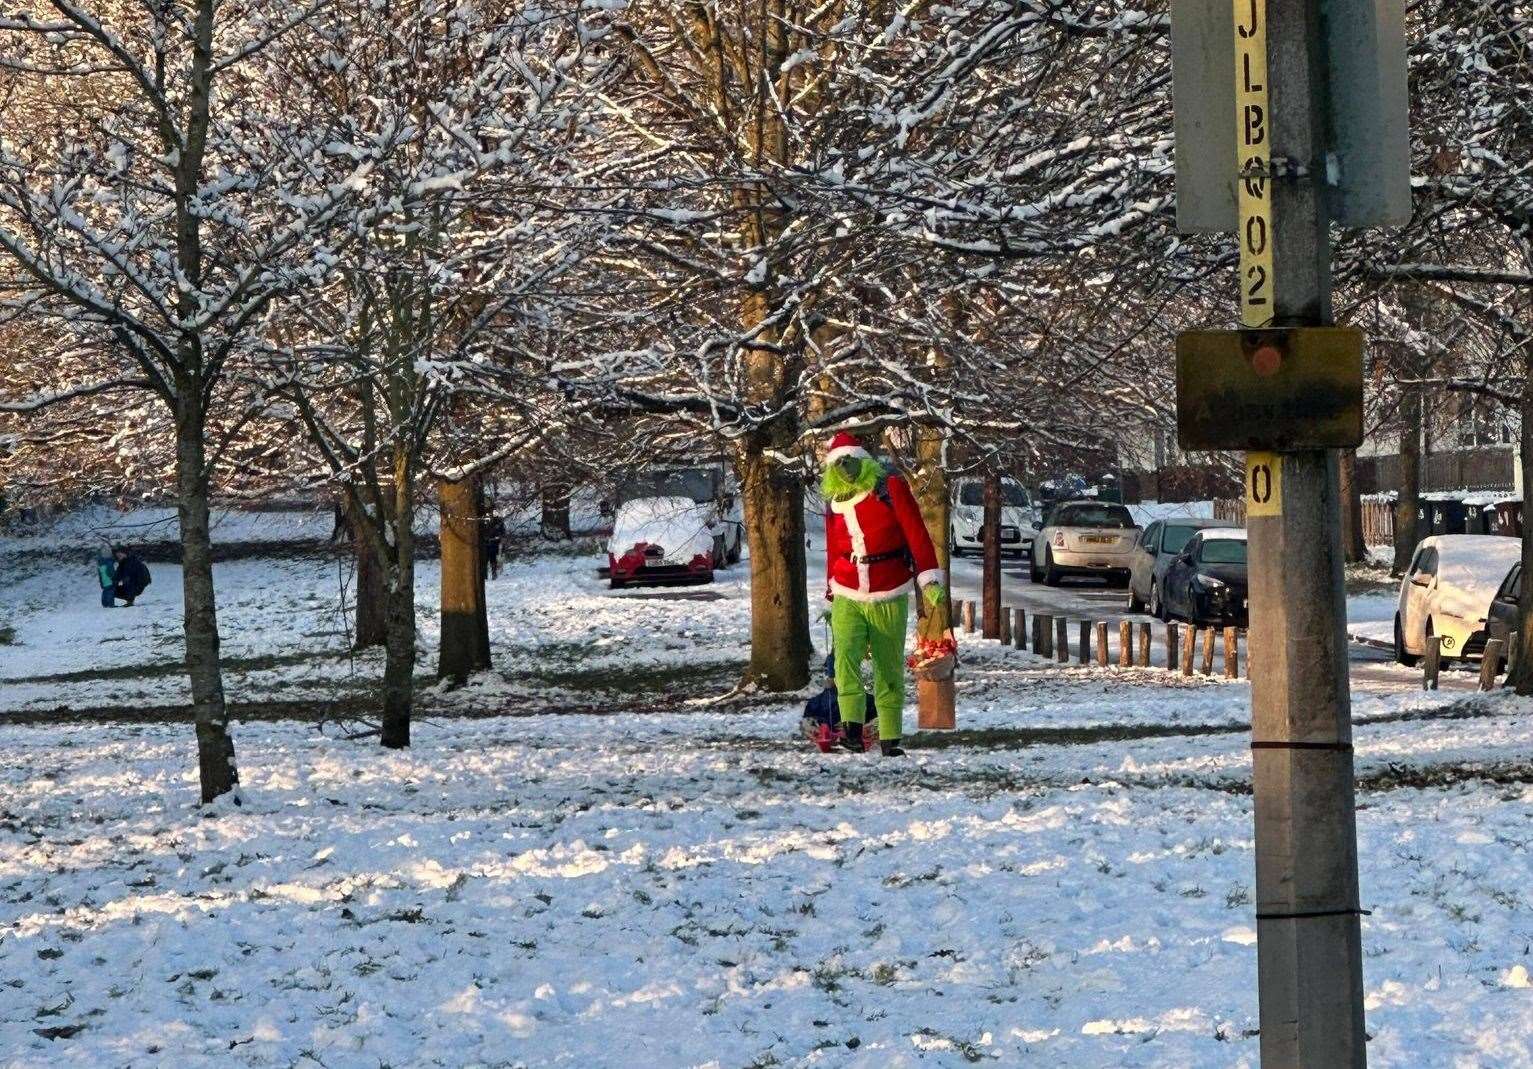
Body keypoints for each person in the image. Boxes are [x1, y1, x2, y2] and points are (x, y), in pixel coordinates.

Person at [821, 432, 945, 757]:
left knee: (887, 665)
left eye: (851, 461)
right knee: (845, 659)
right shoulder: (833, 502)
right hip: (847, 587)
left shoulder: (889, 488)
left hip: (889, 588)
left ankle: (890, 737)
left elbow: (916, 532)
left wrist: (928, 578)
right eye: (839, 463)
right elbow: (833, 548)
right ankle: (851, 729)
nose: (846, 468)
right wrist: (830, 591)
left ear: (863, 461)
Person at [482, 512, 506, 580]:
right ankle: (485, 576)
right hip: (484, 543)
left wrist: (499, 538)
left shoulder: (498, 521)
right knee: (484, 560)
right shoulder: (482, 520)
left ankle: (494, 574)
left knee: (493, 559)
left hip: (494, 543)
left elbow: (503, 532)